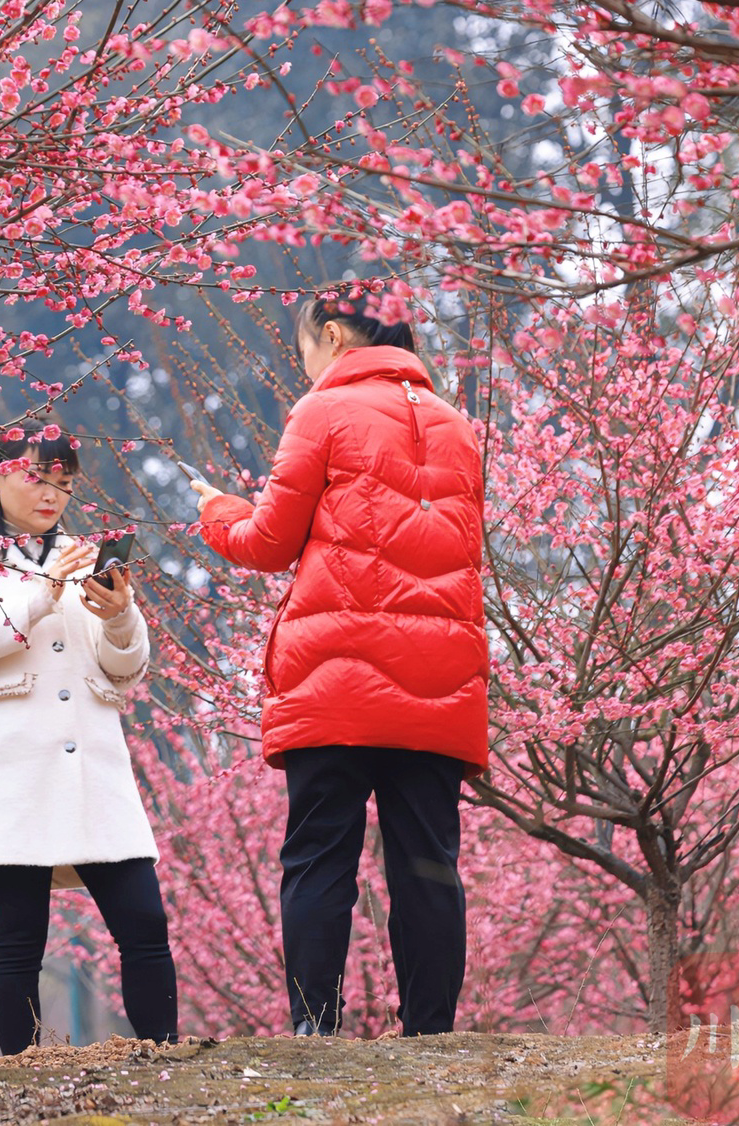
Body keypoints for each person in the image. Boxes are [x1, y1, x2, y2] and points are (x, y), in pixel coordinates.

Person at [189, 293, 487, 1037]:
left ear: (331, 335)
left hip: (337, 682)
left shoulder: (323, 413)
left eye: (305, 351)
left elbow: (267, 543)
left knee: (320, 858)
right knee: (428, 865)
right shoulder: (460, 430)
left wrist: (217, 510)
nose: (307, 367)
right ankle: (429, 1033)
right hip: (438, 684)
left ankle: (315, 1030)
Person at [0, 430, 179, 1056]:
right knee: (18, 938)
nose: (53, 494)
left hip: (94, 763)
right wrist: (40, 594)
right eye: (39, 478)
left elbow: (127, 669)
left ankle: (166, 1056)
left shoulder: (80, 553)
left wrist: (119, 614)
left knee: (145, 923)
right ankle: (22, 1074)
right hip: (12, 767)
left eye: (65, 483)